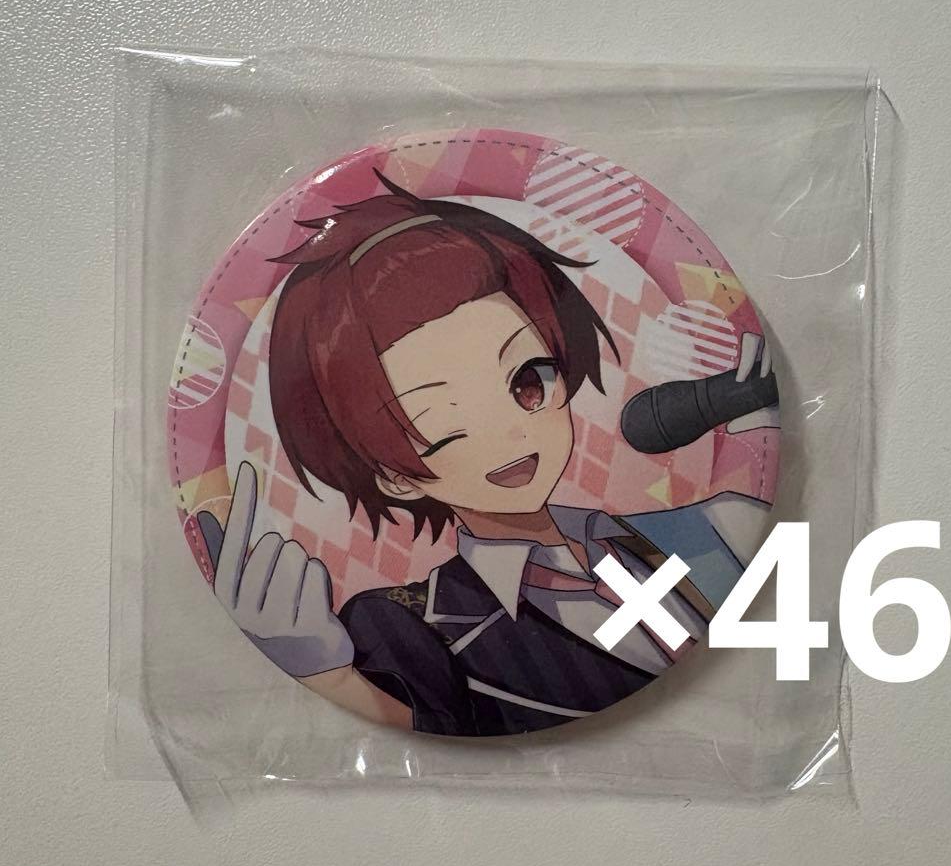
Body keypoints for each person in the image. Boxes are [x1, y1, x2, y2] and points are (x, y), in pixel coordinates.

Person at [199, 174, 776, 735]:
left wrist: (759, 411)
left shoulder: (700, 530)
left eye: (527, 381)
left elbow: (762, 554)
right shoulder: (409, 626)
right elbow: (430, 725)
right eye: (440, 422)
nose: (508, 435)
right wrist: (330, 676)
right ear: (392, 475)